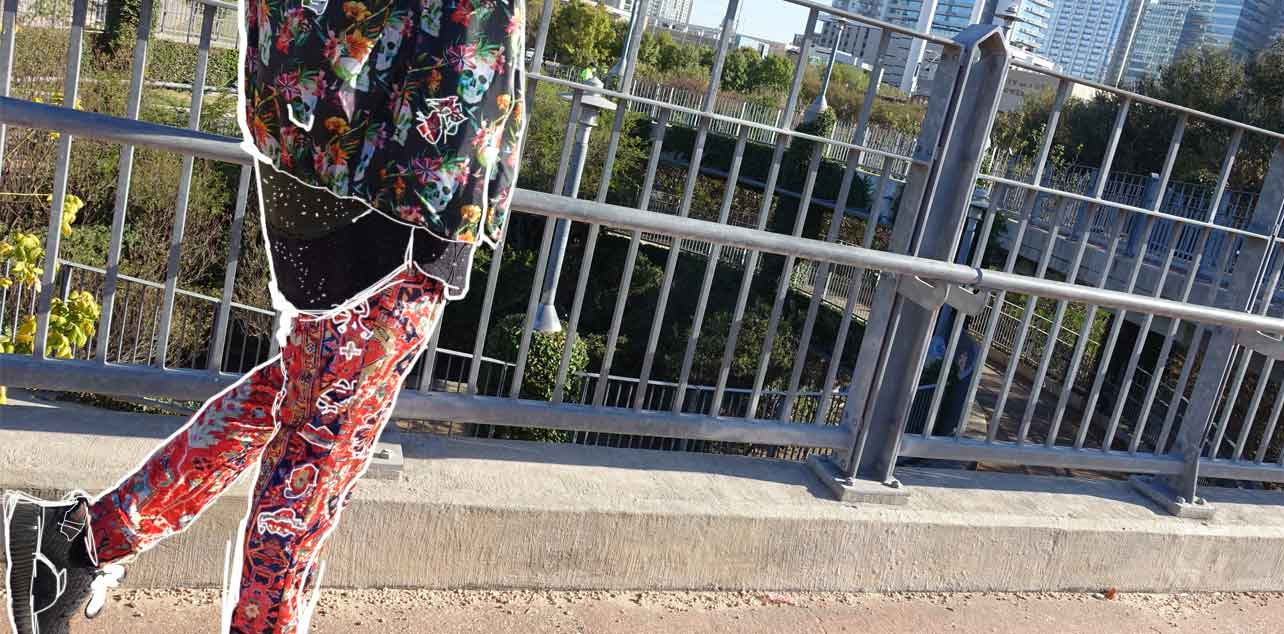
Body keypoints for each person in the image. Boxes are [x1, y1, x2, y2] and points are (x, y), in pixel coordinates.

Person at [4, 1, 527, 632]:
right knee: (324, 436)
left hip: (327, 119)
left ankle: (76, 540)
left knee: (308, 392)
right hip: (398, 154)